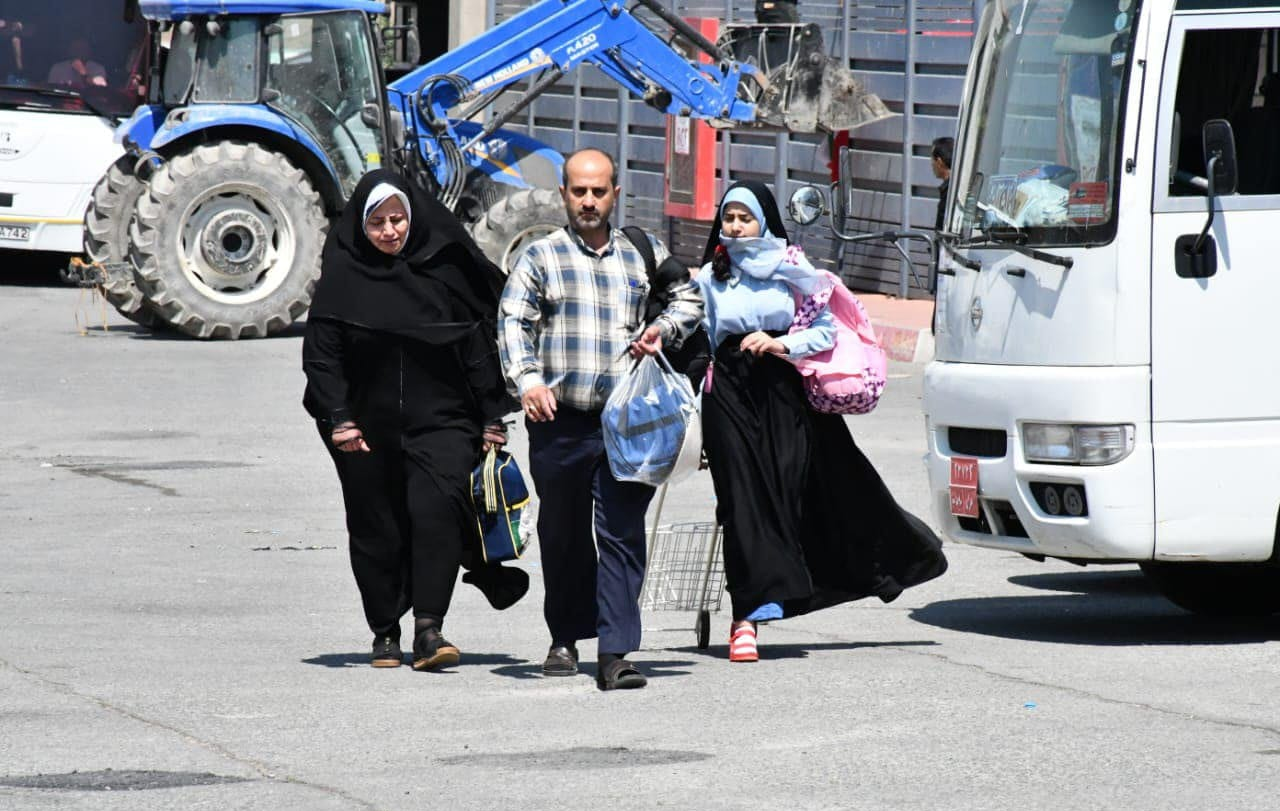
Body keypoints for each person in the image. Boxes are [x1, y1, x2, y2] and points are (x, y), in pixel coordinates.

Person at [695, 180, 947, 662]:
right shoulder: (712, 275)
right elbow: (697, 331)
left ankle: (805, 584)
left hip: (782, 391)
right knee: (742, 499)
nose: (734, 226)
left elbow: (824, 330)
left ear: (764, 221)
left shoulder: (794, 270)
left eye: (744, 218)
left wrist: (780, 344)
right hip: (726, 391)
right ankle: (745, 617)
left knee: (795, 491)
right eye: (728, 217)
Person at [498, 148, 704, 691]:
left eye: (598, 191)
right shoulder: (540, 257)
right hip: (559, 422)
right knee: (562, 533)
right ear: (564, 194)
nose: (588, 201)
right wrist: (529, 381)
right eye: (578, 191)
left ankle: (615, 652)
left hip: (628, 423)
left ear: (615, 193)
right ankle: (565, 637)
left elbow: (688, 299)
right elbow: (513, 321)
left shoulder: (644, 252)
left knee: (620, 534)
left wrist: (665, 330)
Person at [303, 169, 524, 671]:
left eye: (398, 219)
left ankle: (429, 627)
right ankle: (385, 631)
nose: (389, 231)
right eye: (377, 222)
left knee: (436, 513)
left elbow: (476, 347)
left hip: (443, 421)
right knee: (376, 526)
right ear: (361, 226)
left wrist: (492, 414)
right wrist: (339, 417)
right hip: (365, 429)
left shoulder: (442, 270)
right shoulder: (341, 279)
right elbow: (322, 357)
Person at [932, 136, 953, 233]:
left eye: (932, 159)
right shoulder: (953, 187)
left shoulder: (949, 191)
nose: (931, 164)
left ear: (939, 162)